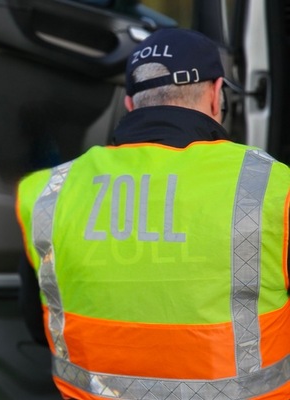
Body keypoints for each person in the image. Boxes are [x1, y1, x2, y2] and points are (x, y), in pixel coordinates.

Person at [15, 28, 290, 399]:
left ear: (130, 104)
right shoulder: (273, 186)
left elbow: (37, 320)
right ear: (215, 94)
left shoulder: (48, 192)